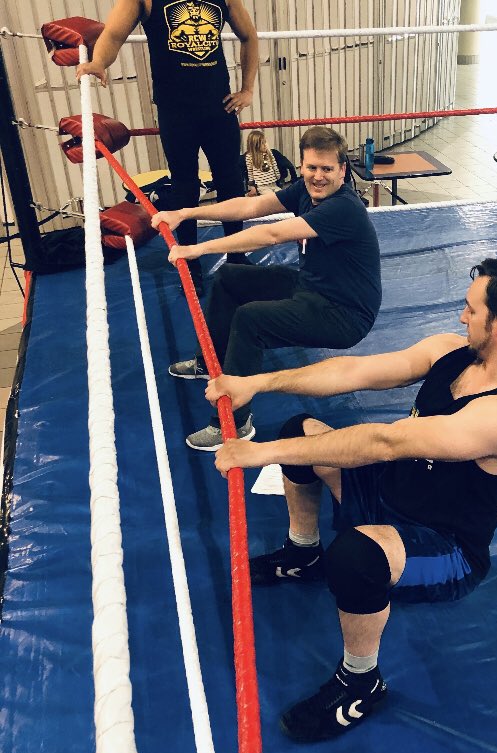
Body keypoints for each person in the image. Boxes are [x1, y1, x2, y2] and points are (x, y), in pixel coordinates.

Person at [206, 256, 497, 743]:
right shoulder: (451, 352)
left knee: (355, 556)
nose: (462, 318)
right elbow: (358, 371)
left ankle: (360, 681)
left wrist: (261, 452)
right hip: (388, 493)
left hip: (445, 547)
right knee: (302, 432)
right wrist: (256, 381)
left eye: (471, 310)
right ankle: (302, 549)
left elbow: (385, 443)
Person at [153, 126, 382, 452]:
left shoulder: (344, 208)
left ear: (342, 170)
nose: (318, 176)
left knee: (250, 319)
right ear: (301, 166)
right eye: (312, 167)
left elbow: (272, 236)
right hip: (313, 287)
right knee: (231, 276)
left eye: (327, 169)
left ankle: (233, 423)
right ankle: (209, 362)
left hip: (344, 313)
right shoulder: (304, 190)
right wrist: (187, 212)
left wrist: (197, 250)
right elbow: (249, 208)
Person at [76, 0, 259, 290]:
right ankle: (189, 262)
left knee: (230, 181)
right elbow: (112, 35)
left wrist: (247, 89)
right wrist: (99, 62)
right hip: (176, 112)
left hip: (219, 109)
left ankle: (237, 256)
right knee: (184, 186)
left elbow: (249, 36)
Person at [244, 130, 281, 196]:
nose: (265, 145)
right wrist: (252, 187)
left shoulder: (269, 153)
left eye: (265, 142)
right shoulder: (250, 157)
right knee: (271, 197)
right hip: (262, 186)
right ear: (256, 145)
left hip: (273, 184)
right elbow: (250, 174)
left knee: (282, 195)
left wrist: (278, 176)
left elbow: (274, 165)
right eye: (263, 143)